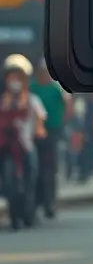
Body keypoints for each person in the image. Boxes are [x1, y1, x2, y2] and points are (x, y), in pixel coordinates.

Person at [0, 55, 47, 206]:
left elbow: (40, 120)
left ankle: (33, 202)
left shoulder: (32, 100)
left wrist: (39, 131)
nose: (14, 81)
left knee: (33, 171)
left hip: (27, 145)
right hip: (6, 146)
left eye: (18, 78)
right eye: (11, 77)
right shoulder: (3, 101)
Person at [30, 59, 70, 218]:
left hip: (52, 131)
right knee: (35, 167)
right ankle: (34, 202)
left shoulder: (55, 88)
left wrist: (63, 120)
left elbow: (68, 104)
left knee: (49, 168)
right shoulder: (32, 87)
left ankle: (49, 202)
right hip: (33, 132)